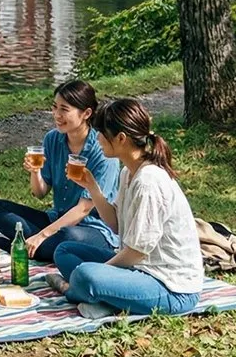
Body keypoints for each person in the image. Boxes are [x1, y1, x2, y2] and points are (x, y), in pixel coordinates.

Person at [49, 97, 205, 319]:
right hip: (138, 269)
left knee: (85, 274)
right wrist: (92, 188)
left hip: (170, 288)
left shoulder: (148, 182)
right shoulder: (128, 172)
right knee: (65, 251)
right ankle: (106, 298)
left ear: (121, 138)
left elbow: (136, 251)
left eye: (102, 133)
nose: (97, 138)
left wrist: (103, 271)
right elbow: (116, 224)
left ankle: (74, 290)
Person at [0, 80, 119, 262]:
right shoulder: (53, 139)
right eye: (55, 107)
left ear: (86, 113)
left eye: (64, 109)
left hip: (92, 229)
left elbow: (84, 209)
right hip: (57, 220)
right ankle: (36, 246)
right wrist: (35, 172)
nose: (56, 115)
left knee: (68, 238)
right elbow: (39, 193)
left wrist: (42, 235)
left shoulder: (102, 151)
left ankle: (19, 245)